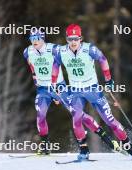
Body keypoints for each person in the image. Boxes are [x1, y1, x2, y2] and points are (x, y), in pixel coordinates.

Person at [52, 24, 132, 161]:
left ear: (80, 39)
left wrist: (108, 79)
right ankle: (84, 150)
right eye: (70, 39)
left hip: (93, 90)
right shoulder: (62, 52)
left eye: (76, 39)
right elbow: (55, 64)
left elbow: (102, 59)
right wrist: (54, 82)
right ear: (67, 39)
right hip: (76, 91)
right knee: (76, 119)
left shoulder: (89, 49)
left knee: (110, 121)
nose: (73, 42)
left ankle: (130, 148)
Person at [23, 27, 120, 155]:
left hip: (59, 87)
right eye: (32, 39)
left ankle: (103, 135)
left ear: (43, 38)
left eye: (37, 38)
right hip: (43, 89)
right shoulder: (27, 52)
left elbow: (65, 59)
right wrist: (35, 79)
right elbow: (32, 66)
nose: (35, 41)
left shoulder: (54, 49)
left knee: (78, 115)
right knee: (40, 115)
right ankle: (45, 146)